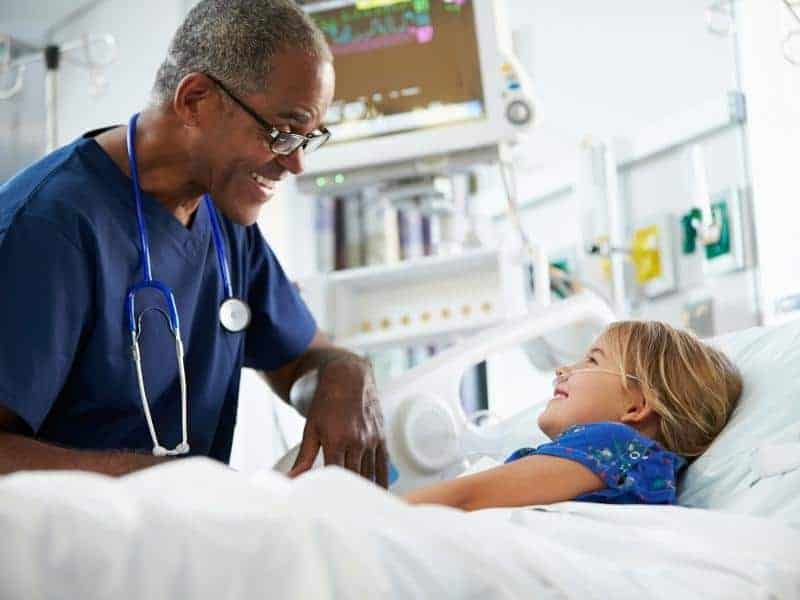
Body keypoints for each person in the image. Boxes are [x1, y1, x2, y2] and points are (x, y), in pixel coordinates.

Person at [0, 0, 389, 485]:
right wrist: (152, 482)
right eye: (283, 133)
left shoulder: (225, 221)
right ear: (196, 101)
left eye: (308, 139)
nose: (294, 165)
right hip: (67, 553)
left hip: (182, 540)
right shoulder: (50, 228)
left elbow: (303, 359)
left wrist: (344, 375)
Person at [404, 320, 743, 510]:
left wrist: (376, 513)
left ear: (636, 407)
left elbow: (468, 497)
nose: (565, 368)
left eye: (592, 360)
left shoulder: (617, 446)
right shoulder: (628, 463)